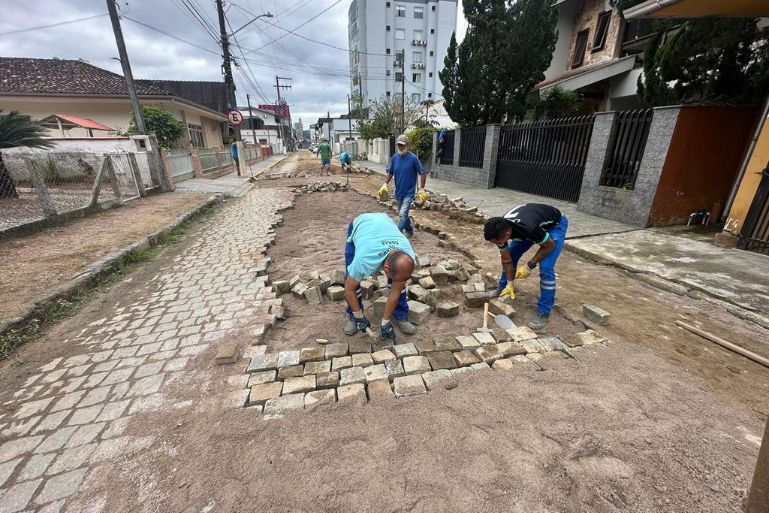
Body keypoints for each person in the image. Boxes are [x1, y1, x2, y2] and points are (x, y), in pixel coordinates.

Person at [483, 203, 569, 330]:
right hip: (529, 225)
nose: (498, 244)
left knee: (546, 267)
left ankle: (544, 312)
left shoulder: (528, 228)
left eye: (498, 242)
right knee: (511, 255)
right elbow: (506, 259)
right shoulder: (499, 228)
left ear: (507, 235)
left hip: (555, 225)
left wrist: (530, 265)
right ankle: (503, 288)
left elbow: (549, 246)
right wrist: (510, 283)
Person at [343, 212, 417, 342]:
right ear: (386, 268)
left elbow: (395, 290)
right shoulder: (364, 259)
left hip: (384, 223)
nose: (398, 282)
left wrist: (385, 323)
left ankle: (399, 315)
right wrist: (359, 316)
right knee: (351, 278)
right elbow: (348, 289)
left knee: (398, 283)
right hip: (360, 225)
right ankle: (353, 316)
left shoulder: (408, 257)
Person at [379, 134, 428, 238]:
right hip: (398, 192)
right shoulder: (394, 158)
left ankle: (398, 236)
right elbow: (390, 172)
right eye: (399, 145)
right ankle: (409, 230)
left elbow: (422, 173)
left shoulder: (413, 158)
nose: (400, 147)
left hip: (409, 193)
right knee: (402, 215)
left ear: (407, 145)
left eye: (402, 145)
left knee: (402, 214)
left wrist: (421, 188)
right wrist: (385, 183)